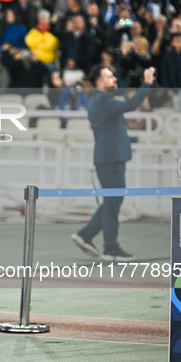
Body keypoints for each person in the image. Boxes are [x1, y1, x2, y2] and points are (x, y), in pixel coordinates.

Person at [71, 64, 156, 262]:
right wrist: (147, 84)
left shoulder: (100, 101)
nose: (115, 79)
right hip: (110, 159)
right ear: (100, 83)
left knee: (112, 201)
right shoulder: (103, 100)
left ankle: (87, 235)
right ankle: (109, 246)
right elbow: (129, 105)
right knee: (112, 202)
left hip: (110, 158)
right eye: (110, 77)